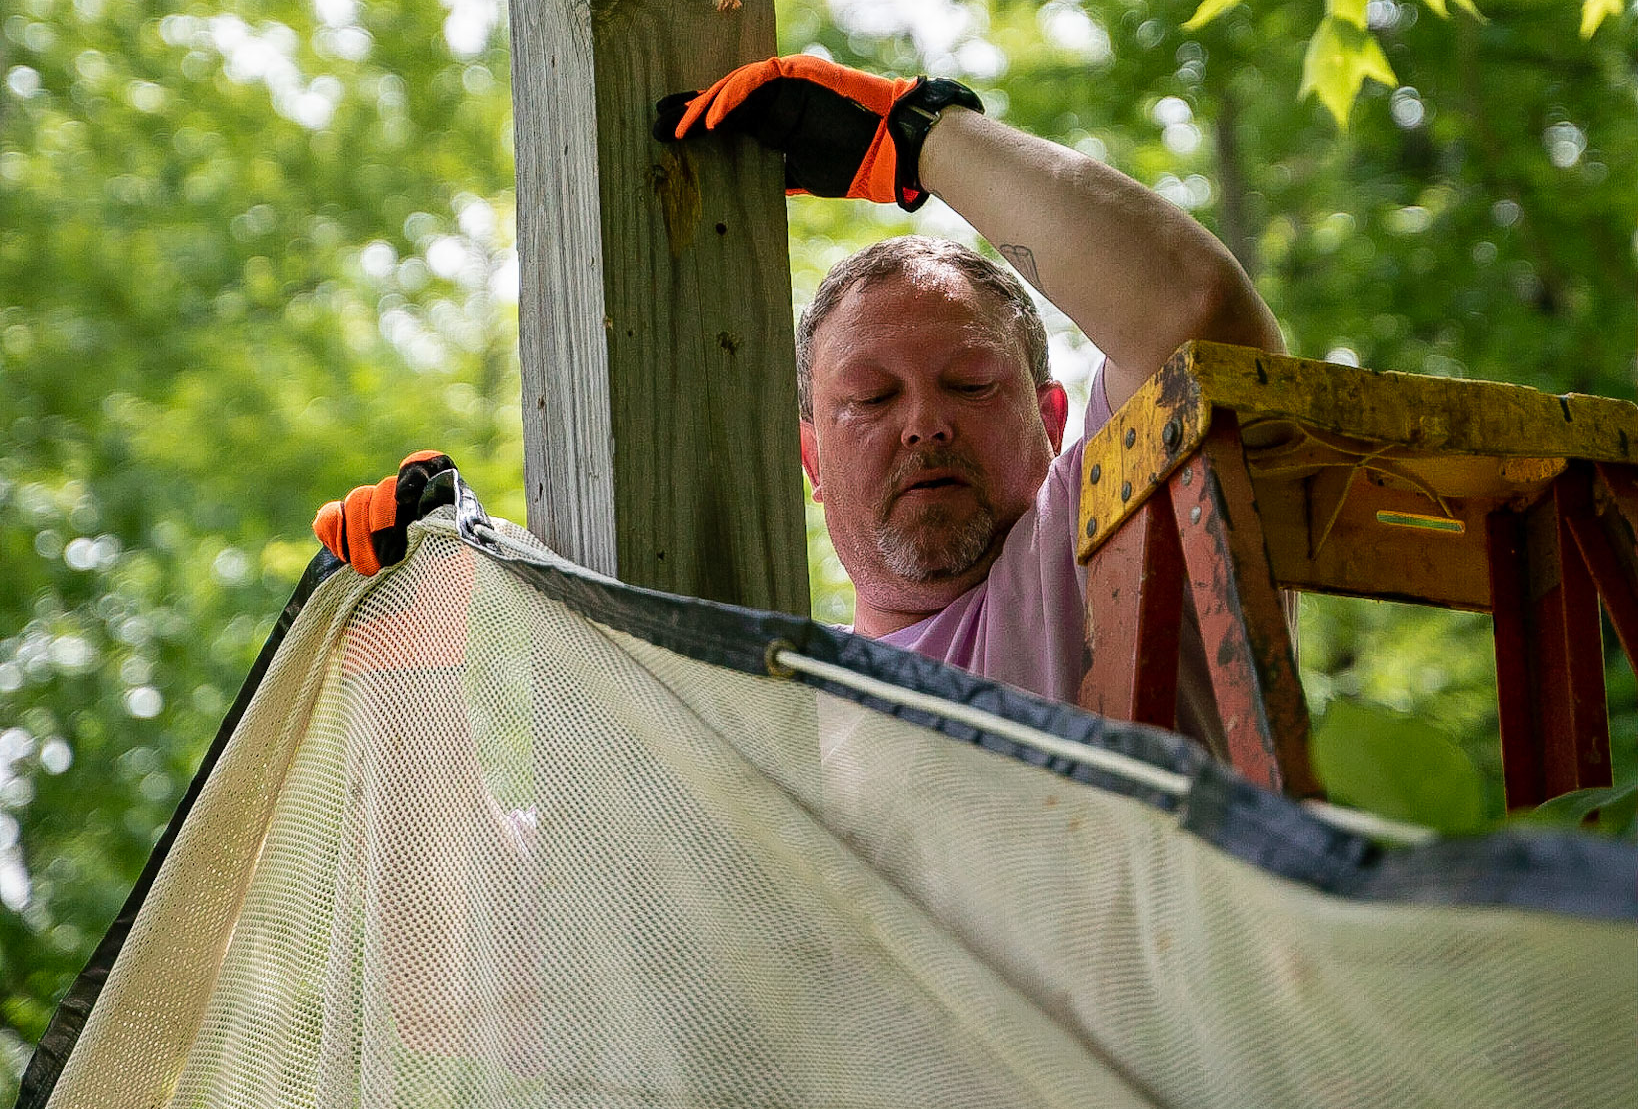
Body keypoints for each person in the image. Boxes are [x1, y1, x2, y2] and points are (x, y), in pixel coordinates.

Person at [317, 56, 1283, 749]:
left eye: (972, 385)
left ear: (1056, 423)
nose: (924, 423)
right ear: (812, 463)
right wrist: (412, 679)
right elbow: (445, 987)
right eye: (869, 398)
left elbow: (1199, 319)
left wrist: (921, 138)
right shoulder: (769, 747)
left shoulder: (1095, 556)